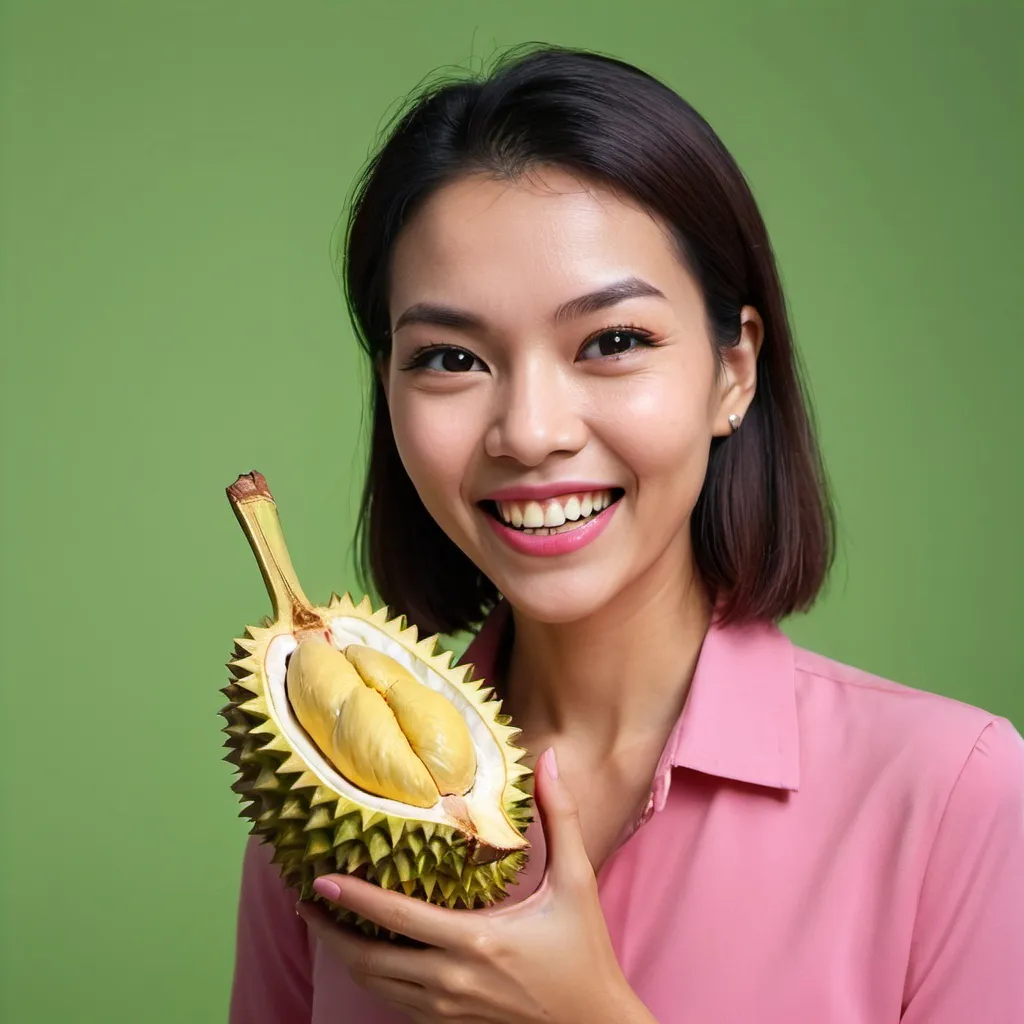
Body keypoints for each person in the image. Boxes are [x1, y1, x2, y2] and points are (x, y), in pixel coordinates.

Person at [228, 44, 1024, 1023]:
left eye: (612, 342)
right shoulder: (320, 813)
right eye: (448, 357)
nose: (529, 430)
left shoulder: (953, 796)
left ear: (733, 372)